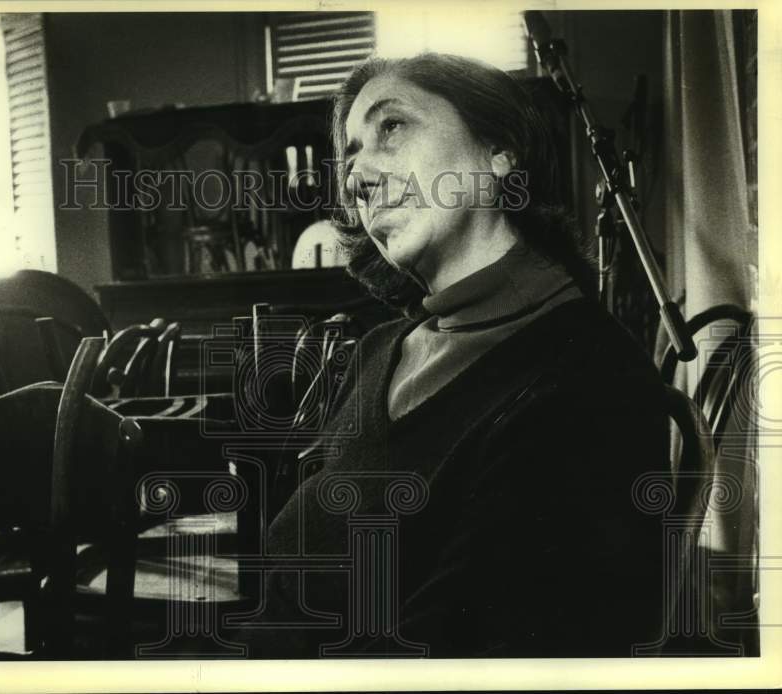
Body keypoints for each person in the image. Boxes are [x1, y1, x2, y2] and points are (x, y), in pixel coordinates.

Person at [234, 53, 669, 658]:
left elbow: (455, 650)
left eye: (392, 127)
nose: (357, 177)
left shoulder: (588, 380)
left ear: (499, 153)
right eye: (351, 154)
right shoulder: (380, 350)